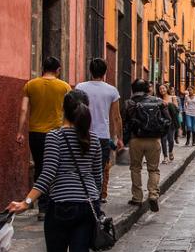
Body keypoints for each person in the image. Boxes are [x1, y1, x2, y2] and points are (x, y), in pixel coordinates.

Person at [7, 90, 118, 252]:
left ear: (63, 111)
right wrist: (96, 205)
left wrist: (26, 202)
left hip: (62, 206)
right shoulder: (92, 138)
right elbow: (97, 176)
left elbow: (47, 175)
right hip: (87, 205)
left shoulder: (55, 137)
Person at [16, 56, 72, 220]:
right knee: (56, 168)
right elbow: (69, 111)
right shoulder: (65, 87)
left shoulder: (30, 85)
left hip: (36, 133)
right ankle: (55, 203)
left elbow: (24, 111)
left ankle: (43, 208)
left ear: (43, 68)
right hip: (57, 133)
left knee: (40, 167)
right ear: (58, 70)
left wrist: (20, 132)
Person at [76, 59, 122, 203]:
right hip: (102, 135)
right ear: (105, 72)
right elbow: (116, 116)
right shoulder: (111, 90)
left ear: (90, 70)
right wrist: (119, 138)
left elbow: (75, 111)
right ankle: (96, 197)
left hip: (83, 133)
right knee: (100, 168)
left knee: (82, 165)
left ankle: (84, 195)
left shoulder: (80, 87)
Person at [122, 79, 169, 212]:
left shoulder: (129, 103)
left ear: (132, 89)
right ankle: (153, 194)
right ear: (148, 89)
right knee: (153, 169)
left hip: (135, 139)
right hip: (154, 140)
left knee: (135, 168)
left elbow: (124, 121)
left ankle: (137, 197)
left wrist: (124, 138)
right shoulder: (158, 102)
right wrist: (160, 134)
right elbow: (168, 120)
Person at [157, 84, 178, 165]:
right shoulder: (158, 99)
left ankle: (170, 152)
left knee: (171, 140)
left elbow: (177, 109)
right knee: (163, 139)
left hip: (171, 121)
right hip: (162, 122)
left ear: (166, 89)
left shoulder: (173, 97)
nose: (162, 90)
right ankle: (165, 157)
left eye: (163, 88)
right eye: (160, 89)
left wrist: (168, 104)